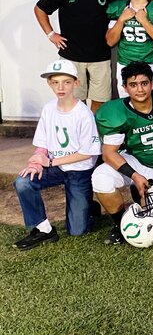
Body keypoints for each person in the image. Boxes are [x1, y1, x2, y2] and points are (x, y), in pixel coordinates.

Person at [34, 0, 153, 112]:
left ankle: (95, 135)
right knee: (75, 100)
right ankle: (80, 134)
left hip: (100, 58)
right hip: (71, 55)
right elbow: (39, 9)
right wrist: (50, 34)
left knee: (100, 101)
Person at [92, 62, 153, 245]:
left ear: (152, 83)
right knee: (101, 177)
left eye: (144, 83)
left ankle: (141, 195)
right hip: (137, 160)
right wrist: (134, 175)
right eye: (133, 85)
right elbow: (109, 153)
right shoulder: (116, 112)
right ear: (124, 87)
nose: (140, 89)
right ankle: (120, 225)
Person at [13, 60, 101, 250]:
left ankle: (88, 207)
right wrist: (36, 163)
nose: (60, 87)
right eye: (55, 82)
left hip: (79, 171)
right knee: (23, 181)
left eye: (66, 82)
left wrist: (50, 161)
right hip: (55, 167)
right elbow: (42, 143)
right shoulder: (48, 108)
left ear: (76, 83)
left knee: (78, 231)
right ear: (49, 84)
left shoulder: (83, 114)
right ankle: (44, 229)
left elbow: (88, 153)